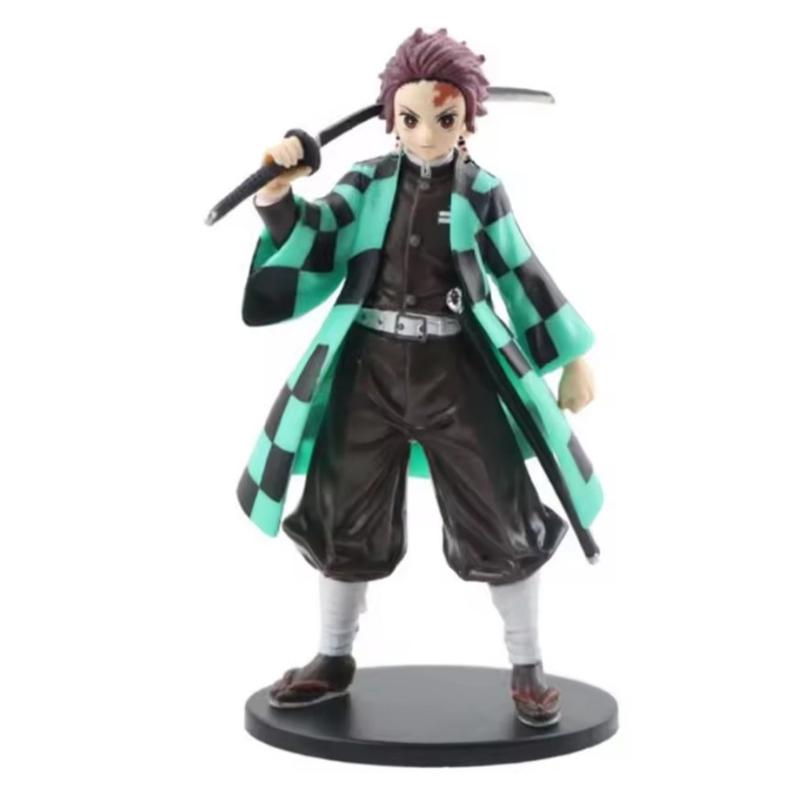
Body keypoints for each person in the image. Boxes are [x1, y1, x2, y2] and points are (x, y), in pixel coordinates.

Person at [238, 28, 600, 727]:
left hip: (459, 373)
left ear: (467, 120)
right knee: (341, 511)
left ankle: (527, 666)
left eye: (445, 117)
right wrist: (278, 195)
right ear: (390, 118)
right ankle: (333, 656)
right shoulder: (367, 183)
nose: (427, 133)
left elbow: (521, 271)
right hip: (366, 371)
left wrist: (571, 355)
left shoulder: (481, 191)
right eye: (410, 118)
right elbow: (319, 235)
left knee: (501, 512)